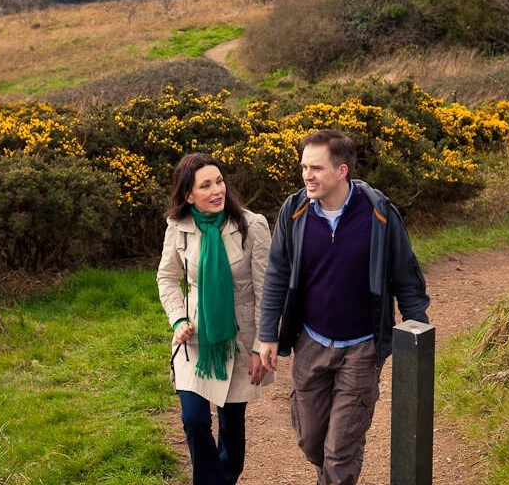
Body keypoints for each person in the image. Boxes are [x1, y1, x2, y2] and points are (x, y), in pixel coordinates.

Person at [258, 129, 430, 485]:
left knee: (339, 451)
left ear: (342, 171)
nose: (307, 175)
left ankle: (341, 464)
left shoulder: (379, 213)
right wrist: (267, 334)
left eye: (316, 168)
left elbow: (406, 278)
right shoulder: (294, 211)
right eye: (304, 167)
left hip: (362, 349)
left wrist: (418, 340)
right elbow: (276, 274)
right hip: (311, 342)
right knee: (312, 443)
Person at [157, 152, 272, 485]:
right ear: (189, 194)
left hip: (239, 340)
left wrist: (260, 345)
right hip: (195, 339)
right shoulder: (178, 227)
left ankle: (224, 477)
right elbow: (167, 277)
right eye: (205, 185)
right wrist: (178, 319)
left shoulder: (252, 225)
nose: (217, 190)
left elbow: (266, 290)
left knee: (232, 427)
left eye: (219, 181)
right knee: (194, 420)